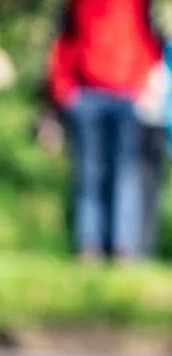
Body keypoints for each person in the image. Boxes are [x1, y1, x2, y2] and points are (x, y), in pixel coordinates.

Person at [48, 0, 164, 260]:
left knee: (126, 175)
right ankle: (89, 248)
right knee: (89, 174)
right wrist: (64, 89)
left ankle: (124, 250)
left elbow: (150, 38)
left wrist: (142, 83)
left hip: (127, 94)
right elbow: (65, 39)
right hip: (86, 95)